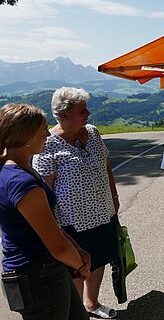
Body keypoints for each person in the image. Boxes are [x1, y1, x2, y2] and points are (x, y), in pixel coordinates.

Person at [32, 87, 120, 319]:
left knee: (99, 258)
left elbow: (106, 165)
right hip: (72, 221)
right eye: (82, 110)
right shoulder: (48, 143)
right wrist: (50, 223)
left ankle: (92, 303)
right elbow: (45, 188)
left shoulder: (93, 132)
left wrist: (114, 197)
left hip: (103, 211)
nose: (88, 113)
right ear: (63, 115)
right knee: (76, 268)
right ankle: (77, 311)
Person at [0, 103, 91, 320]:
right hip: (40, 275)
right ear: (27, 135)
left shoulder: (15, 169)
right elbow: (57, 247)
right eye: (43, 130)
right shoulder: (22, 182)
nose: (48, 134)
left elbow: (49, 224)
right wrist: (81, 265)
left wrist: (77, 249)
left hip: (39, 272)